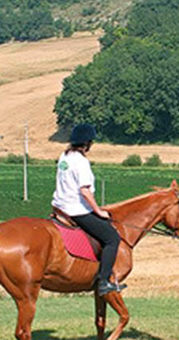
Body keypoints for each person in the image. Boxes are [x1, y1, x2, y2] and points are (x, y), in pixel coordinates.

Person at [52, 124, 126, 296]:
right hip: (75, 210)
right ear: (87, 143)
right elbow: (84, 191)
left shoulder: (65, 156)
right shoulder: (81, 162)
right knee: (112, 238)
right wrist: (98, 211)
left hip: (60, 207)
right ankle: (103, 282)